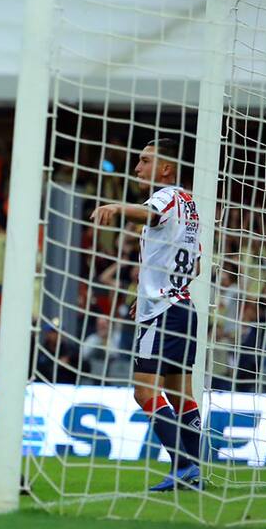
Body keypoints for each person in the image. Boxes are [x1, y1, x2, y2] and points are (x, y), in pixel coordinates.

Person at [91, 138, 202, 492]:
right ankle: (195, 469)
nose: (137, 167)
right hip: (183, 307)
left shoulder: (167, 196)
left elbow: (150, 214)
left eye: (144, 161)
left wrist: (117, 207)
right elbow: (195, 265)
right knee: (181, 393)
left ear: (166, 168)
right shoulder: (191, 206)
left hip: (164, 311)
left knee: (144, 392)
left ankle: (183, 465)